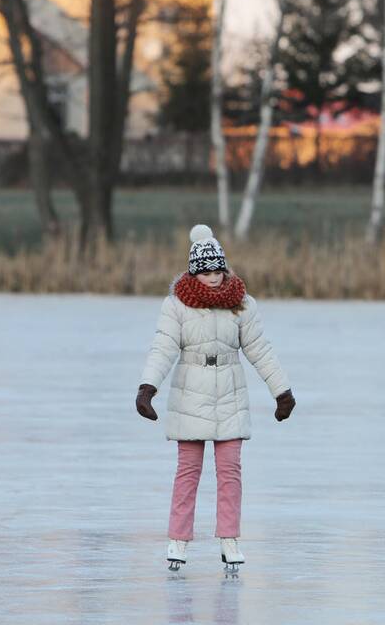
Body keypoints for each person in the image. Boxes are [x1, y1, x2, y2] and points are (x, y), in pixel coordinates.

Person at [135, 224, 295, 573]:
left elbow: (259, 349)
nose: (212, 277)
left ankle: (229, 540)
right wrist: (148, 388)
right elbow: (163, 347)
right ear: (194, 271)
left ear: (224, 268)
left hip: (229, 394)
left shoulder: (241, 304)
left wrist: (281, 391)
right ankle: (178, 539)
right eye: (204, 270)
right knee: (188, 471)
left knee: (230, 471)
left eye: (217, 269)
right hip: (190, 392)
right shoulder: (176, 305)